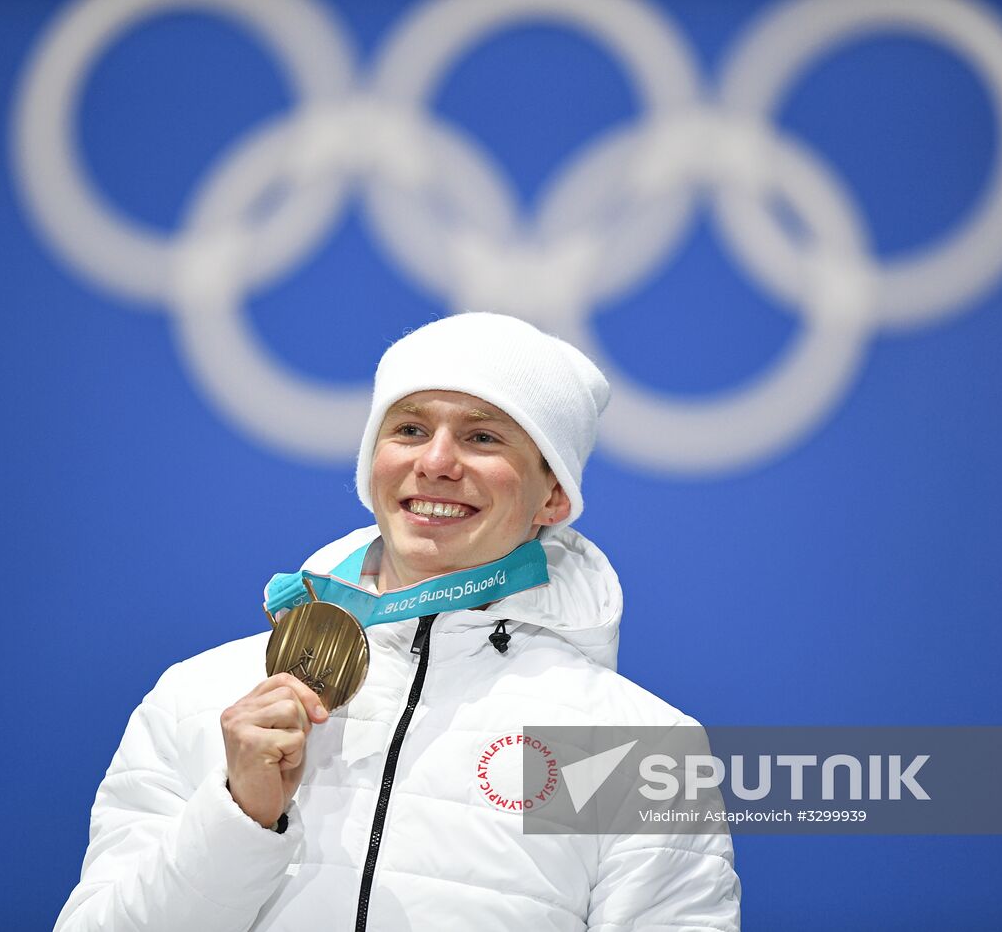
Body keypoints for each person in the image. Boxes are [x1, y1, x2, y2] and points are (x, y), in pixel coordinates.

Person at [55, 313, 741, 931]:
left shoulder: (635, 745)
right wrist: (238, 817)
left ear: (553, 495)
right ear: (372, 463)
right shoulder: (203, 698)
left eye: (482, 436)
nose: (436, 462)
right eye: (410, 428)